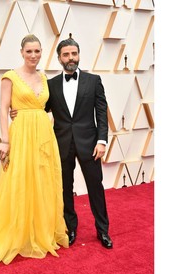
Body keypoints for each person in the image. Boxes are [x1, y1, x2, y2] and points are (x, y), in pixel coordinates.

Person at [11, 34, 113, 249]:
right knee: (65, 189)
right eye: (66, 54)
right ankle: (70, 228)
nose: (71, 58)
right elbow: (40, 107)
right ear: (59, 58)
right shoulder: (51, 84)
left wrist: (102, 140)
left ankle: (102, 230)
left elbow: (102, 113)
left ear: (78, 55)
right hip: (60, 144)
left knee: (95, 187)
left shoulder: (93, 81)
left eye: (74, 53)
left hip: (90, 144)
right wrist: (18, 112)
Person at [0, 34, 69, 266]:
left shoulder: (43, 76)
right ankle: (18, 234)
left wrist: (46, 118)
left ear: (42, 52)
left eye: (37, 51)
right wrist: (4, 140)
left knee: (42, 180)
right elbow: (3, 109)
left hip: (43, 135)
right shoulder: (10, 77)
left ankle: (41, 231)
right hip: (20, 135)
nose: (33, 55)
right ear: (22, 52)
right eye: (29, 51)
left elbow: (46, 106)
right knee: (19, 181)